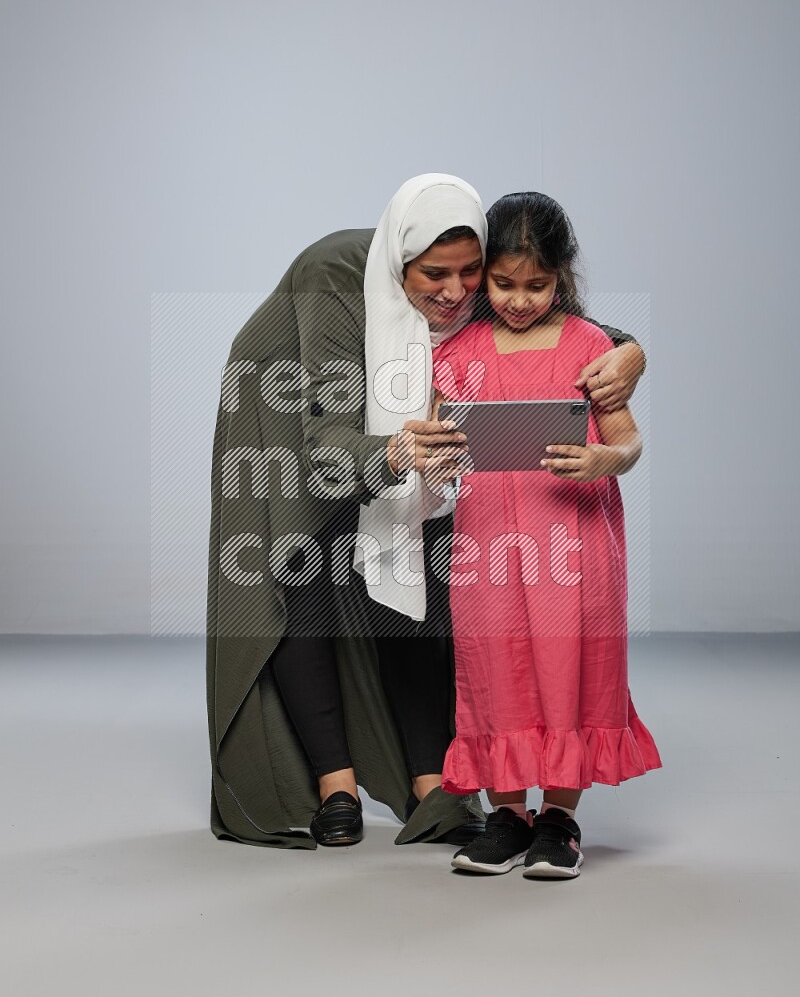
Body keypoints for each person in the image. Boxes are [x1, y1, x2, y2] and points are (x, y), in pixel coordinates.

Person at [206, 176, 647, 850]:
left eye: (472, 273)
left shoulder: (483, 282)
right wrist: (389, 450)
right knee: (302, 568)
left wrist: (631, 352)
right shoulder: (332, 275)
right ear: (399, 261)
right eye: (434, 275)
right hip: (293, 408)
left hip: (400, 408)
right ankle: (334, 782)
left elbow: (558, 321)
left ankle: (429, 780)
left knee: (405, 563)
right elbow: (326, 434)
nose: (456, 291)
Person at [432, 191, 661, 878]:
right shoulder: (460, 349)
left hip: (575, 537)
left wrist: (603, 460)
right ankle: (507, 815)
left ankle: (559, 817)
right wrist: (437, 451)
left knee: (571, 666)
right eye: (504, 284)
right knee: (493, 664)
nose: (520, 300)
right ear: (484, 275)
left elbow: (629, 442)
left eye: (537, 285)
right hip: (487, 540)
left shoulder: (592, 347)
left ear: (562, 275)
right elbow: (435, 441)